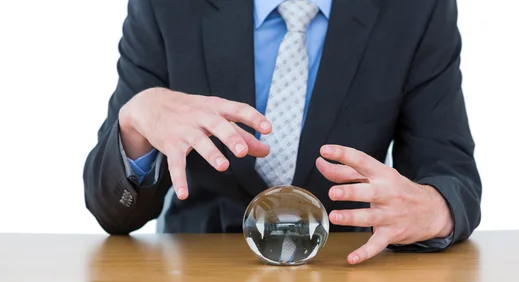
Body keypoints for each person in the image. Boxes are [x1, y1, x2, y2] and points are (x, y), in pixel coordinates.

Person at [83, 0, 482, 265]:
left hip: (347, 280)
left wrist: (435, 209)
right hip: (196, 279)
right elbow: (112, 211)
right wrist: (134, 125)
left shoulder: (415, 10)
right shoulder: (168, 7)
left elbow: (451, 173)